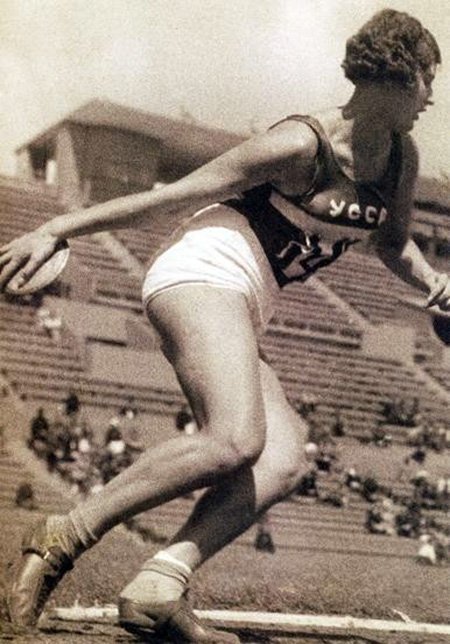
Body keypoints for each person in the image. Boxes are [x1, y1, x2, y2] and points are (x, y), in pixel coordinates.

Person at [1, 9, 449, 643]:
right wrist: (56, 227)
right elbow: (176, 195)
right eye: (428, 77)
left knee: (287, 458)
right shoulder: (299, 144)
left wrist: (434, 280)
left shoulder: (401, 158)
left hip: (246, 296)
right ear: (397, 74)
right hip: (202, 267)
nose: (432, 96)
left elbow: (394, 245)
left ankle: (159, 582)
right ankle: (61, 536)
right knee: (234, 439)